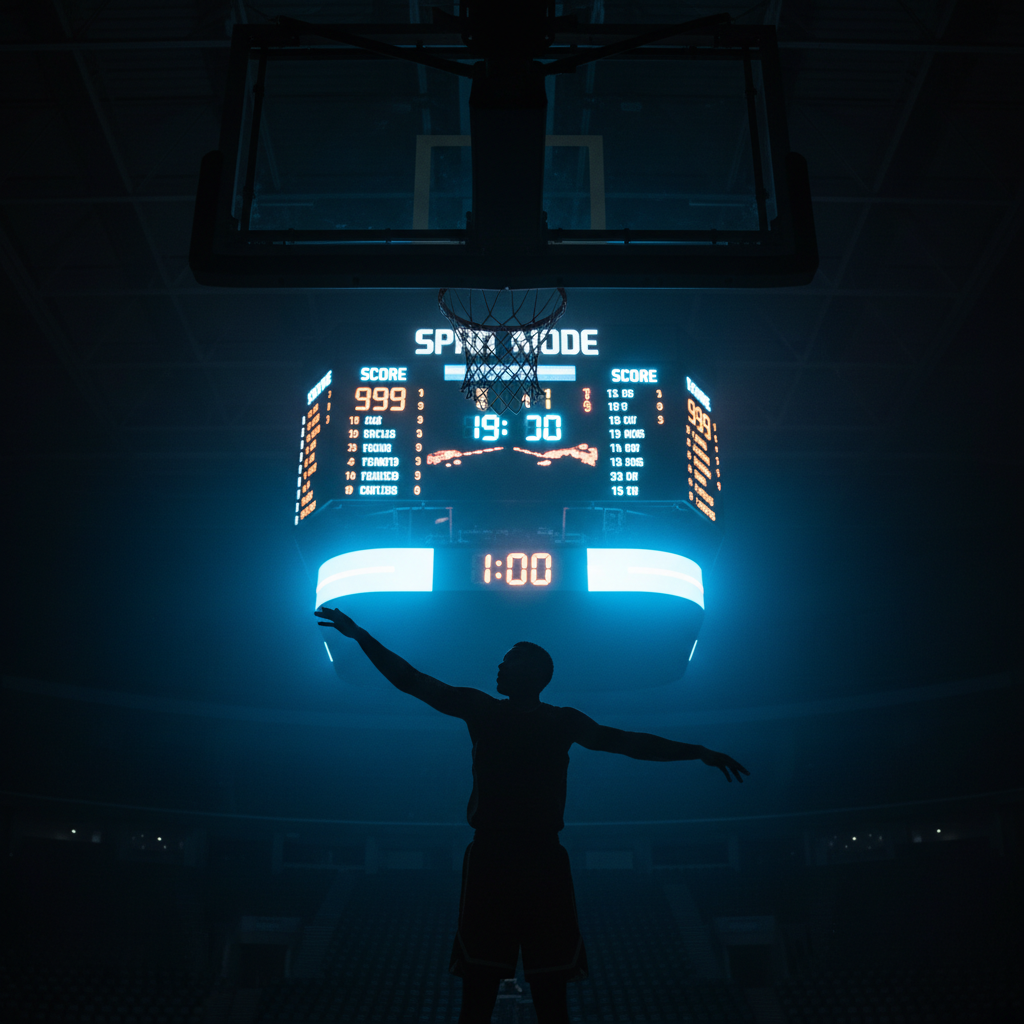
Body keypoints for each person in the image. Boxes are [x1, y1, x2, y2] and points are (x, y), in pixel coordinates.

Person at [316, 607, 749, 1024]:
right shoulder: (506, 713)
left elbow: (628, 742)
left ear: (535, 673)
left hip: (524, 857)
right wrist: (361, 637)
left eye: (510, 661)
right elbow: (411, 681)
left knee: (540, 991)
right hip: (510, 855)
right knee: (489, 990)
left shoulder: (537, 717)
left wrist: (696, 752)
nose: (500, 667)